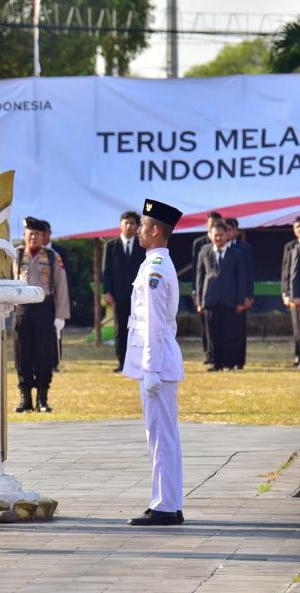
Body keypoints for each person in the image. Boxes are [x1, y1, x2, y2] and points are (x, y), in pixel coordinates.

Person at [123, 199, 186, 527]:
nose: (138, 232)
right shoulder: (153, 263)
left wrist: (150, 369)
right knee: (163, 435)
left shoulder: (157, 268)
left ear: (156, 230)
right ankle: (168, 501)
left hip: (158, 364)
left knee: (161, 436)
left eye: (144, 227)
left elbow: (154, 325)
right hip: (159, 363)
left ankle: (166, 505)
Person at [13, 217, 70, 412]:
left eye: (37, 234)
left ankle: (42, 399)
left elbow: (61, 286)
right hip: (22, 309)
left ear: (43, 236)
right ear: (24, 235)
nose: (34, 237)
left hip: (45, 309)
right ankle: (25, 399)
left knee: (44, 355)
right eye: (30, 234)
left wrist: (60, 315)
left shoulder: (52, 256)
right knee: (23, 355)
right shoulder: (17, 255)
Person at [195, 219, 248, 371]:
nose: (218, 238)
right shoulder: (204, 251)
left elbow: (241, 279)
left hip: (230, 300)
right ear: (210, 235)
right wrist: (199, 301)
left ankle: (229, 363)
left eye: (221, 235)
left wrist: (240, 301)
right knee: (213, 333)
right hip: (210, 299)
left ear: (226, 235)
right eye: (215, 235)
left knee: (229, 333)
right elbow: (200, 276)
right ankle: (216, 363)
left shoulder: (236, 254)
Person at [103, 210, 146, 373]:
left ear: (137, 227)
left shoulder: (142, 245)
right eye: (126, 223)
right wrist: (107, 291)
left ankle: (138, 362)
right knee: (120, 329)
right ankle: (122, 362)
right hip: (118, 295)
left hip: (139, 295)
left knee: (138, 329)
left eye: (133, 223)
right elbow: (106, 271)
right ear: (121, 225)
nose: (129, 226)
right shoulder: (111, 246)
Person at [191, 211, 222, 365]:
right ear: (206, 226)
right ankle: (208, 353)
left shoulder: (224, 241)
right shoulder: (199, 244)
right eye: (211, 225)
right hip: (204, 290)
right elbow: (198, 271)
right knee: (205, 324)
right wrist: (195, 291)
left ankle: (218, 353)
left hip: (221, 292)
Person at [282, 217, 300, 368]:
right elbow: (286, 271)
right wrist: (286, 293)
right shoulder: (291, 247)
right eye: (296, 227)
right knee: (296, 326)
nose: (298, 230)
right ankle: (298, 355)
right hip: (294, 292)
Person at [227, 217, 254, 369]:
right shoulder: (216, 248)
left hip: (241, 295)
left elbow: (249, 274)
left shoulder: (245, 248)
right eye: (227, 229)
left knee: (239, 330)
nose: (229, 233)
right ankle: (227, 360)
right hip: (225, 296)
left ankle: (239, 360)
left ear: (236, 232)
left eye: (231, 229)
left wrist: (248, 296)